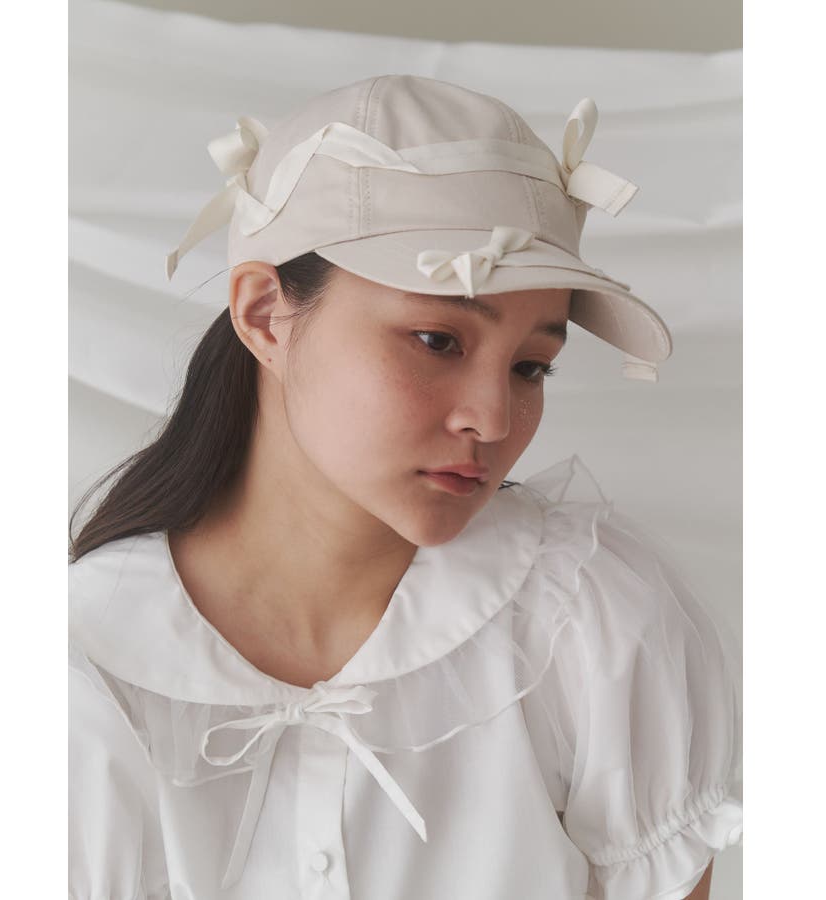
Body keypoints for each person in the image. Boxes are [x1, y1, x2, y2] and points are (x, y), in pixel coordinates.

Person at [68, 74, 742, 900]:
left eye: (531, 366)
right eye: (437, 340)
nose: (493, 418)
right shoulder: (81, 668)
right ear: (265, 315)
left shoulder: (592, 626)